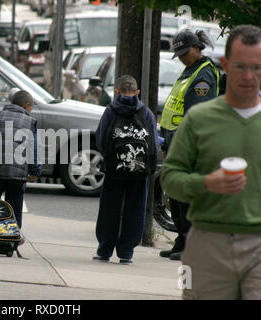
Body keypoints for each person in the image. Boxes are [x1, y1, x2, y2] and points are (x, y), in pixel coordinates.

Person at [161, 25, 261, 300]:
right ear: (226, 64)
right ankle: (182, 239)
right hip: (205, 244)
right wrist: (206, 183)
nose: (249, 76)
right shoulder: (199, 121)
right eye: (241, 66)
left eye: (258, 67)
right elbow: (170, 179)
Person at [158, 29, 220, 261]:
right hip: (175, 142)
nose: (182, 57)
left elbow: (196, 115)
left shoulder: (204, 75)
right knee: (176, 195)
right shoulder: (190, 70)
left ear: (197, 48)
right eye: (179, 54)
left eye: (185, 52)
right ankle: (181, 241)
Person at [93, 75, 158, 264]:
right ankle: (126, 252)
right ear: (137, 92)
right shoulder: (146, 114)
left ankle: (104, 250)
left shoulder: (110, 111)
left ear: (117, 91)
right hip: (139, 172)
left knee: (109, 208)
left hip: (115, 169)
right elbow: (152, 143)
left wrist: (109, 157)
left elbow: (101, 139)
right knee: (135, 209)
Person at [0, 90, 42, 229]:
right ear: (26, 105)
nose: (31, 111)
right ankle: (12, 239)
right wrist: (34, 171)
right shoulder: (31, 122)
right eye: (31, 108)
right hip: (18, 176)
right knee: (15, 209)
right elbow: (34, 149)